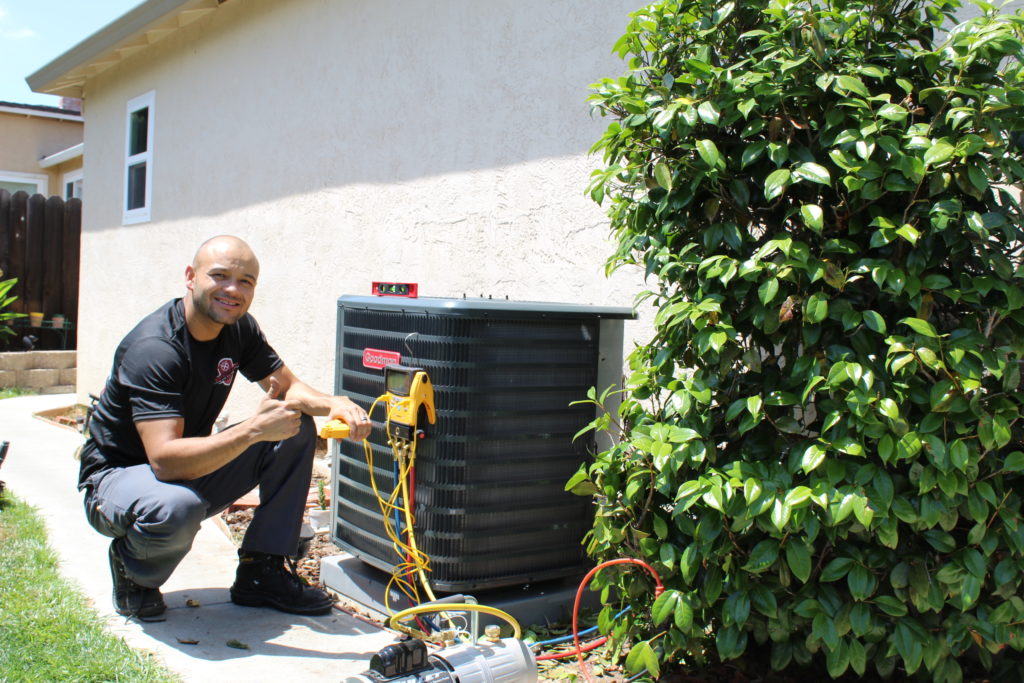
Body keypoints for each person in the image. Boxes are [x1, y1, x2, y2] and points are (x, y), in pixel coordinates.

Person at [77, 235, 372, 621]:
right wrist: (252, 430)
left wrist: (334, 402)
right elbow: (165, 462)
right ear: (191, 277)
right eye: (220, 276)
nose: (233, 290)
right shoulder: (155, 348)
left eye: (246, 281)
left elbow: (287, 387)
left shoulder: (238, 329)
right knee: (176, 507)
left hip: (184, 467)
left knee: (295, 426)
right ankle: (135, 570)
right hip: (118, 481)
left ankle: (261, 570)